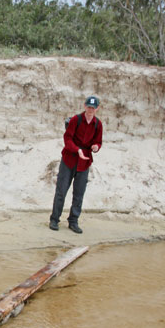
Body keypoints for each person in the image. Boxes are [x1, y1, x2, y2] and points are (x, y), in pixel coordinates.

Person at [49, 96, 103, 233]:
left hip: (84, 162)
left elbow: (98, 141)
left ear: (97, 108)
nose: (90, 109)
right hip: (69, 159)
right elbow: (67, 138)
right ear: (85, 106)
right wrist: (77, 150)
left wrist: (96, 147)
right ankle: (54, 219)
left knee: (79, 193)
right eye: (89, 107)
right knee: (61, 191)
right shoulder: (75, 120)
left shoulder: (98, 124)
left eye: (93, 107)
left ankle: (73, 221)